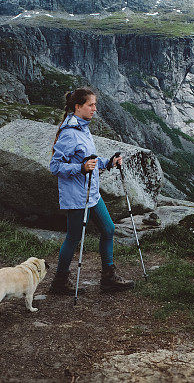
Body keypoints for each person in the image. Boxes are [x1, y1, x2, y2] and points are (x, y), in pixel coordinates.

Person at [47, 86, 135, 294]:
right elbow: (55, 166)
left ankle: (108, 277)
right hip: (77, 196)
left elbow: (90, 160)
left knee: (109, 229)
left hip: (92, 193)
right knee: (73, 237)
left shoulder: (83, 127)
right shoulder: (69, 133)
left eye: (95, 104)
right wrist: (80, 168)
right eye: (91, 105)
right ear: (78, 107)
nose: (95, 109)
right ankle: (59, 282)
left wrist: (109, 162)